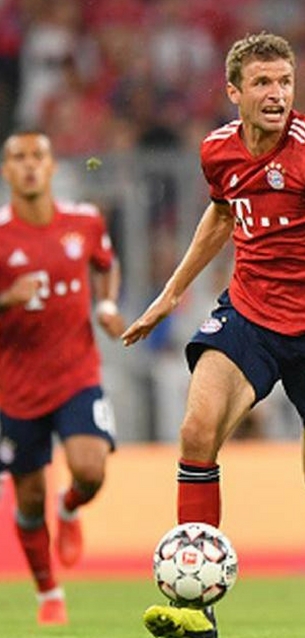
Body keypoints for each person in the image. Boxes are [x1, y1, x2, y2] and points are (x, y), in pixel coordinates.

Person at [121, 33, 305, 638]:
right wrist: (172, 292)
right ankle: (194, 607)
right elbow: (223, 211)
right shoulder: (217, 150)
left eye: (285, 82)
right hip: (251, 315)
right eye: (262, 83)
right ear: (234, 92)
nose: (277, 94)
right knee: (197, 431)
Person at [0, 130, 125, 625]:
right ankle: (48, 592)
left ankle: (70, 506)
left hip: (77, 374)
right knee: (29, 499)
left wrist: (107, 305)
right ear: (7, 171)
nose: (30, 165)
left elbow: (106, 264)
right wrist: (7, 299)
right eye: (19, 158)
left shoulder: (85, 221)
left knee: (91, 470)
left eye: (39, 157)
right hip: (15, 389)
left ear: (52, 168)